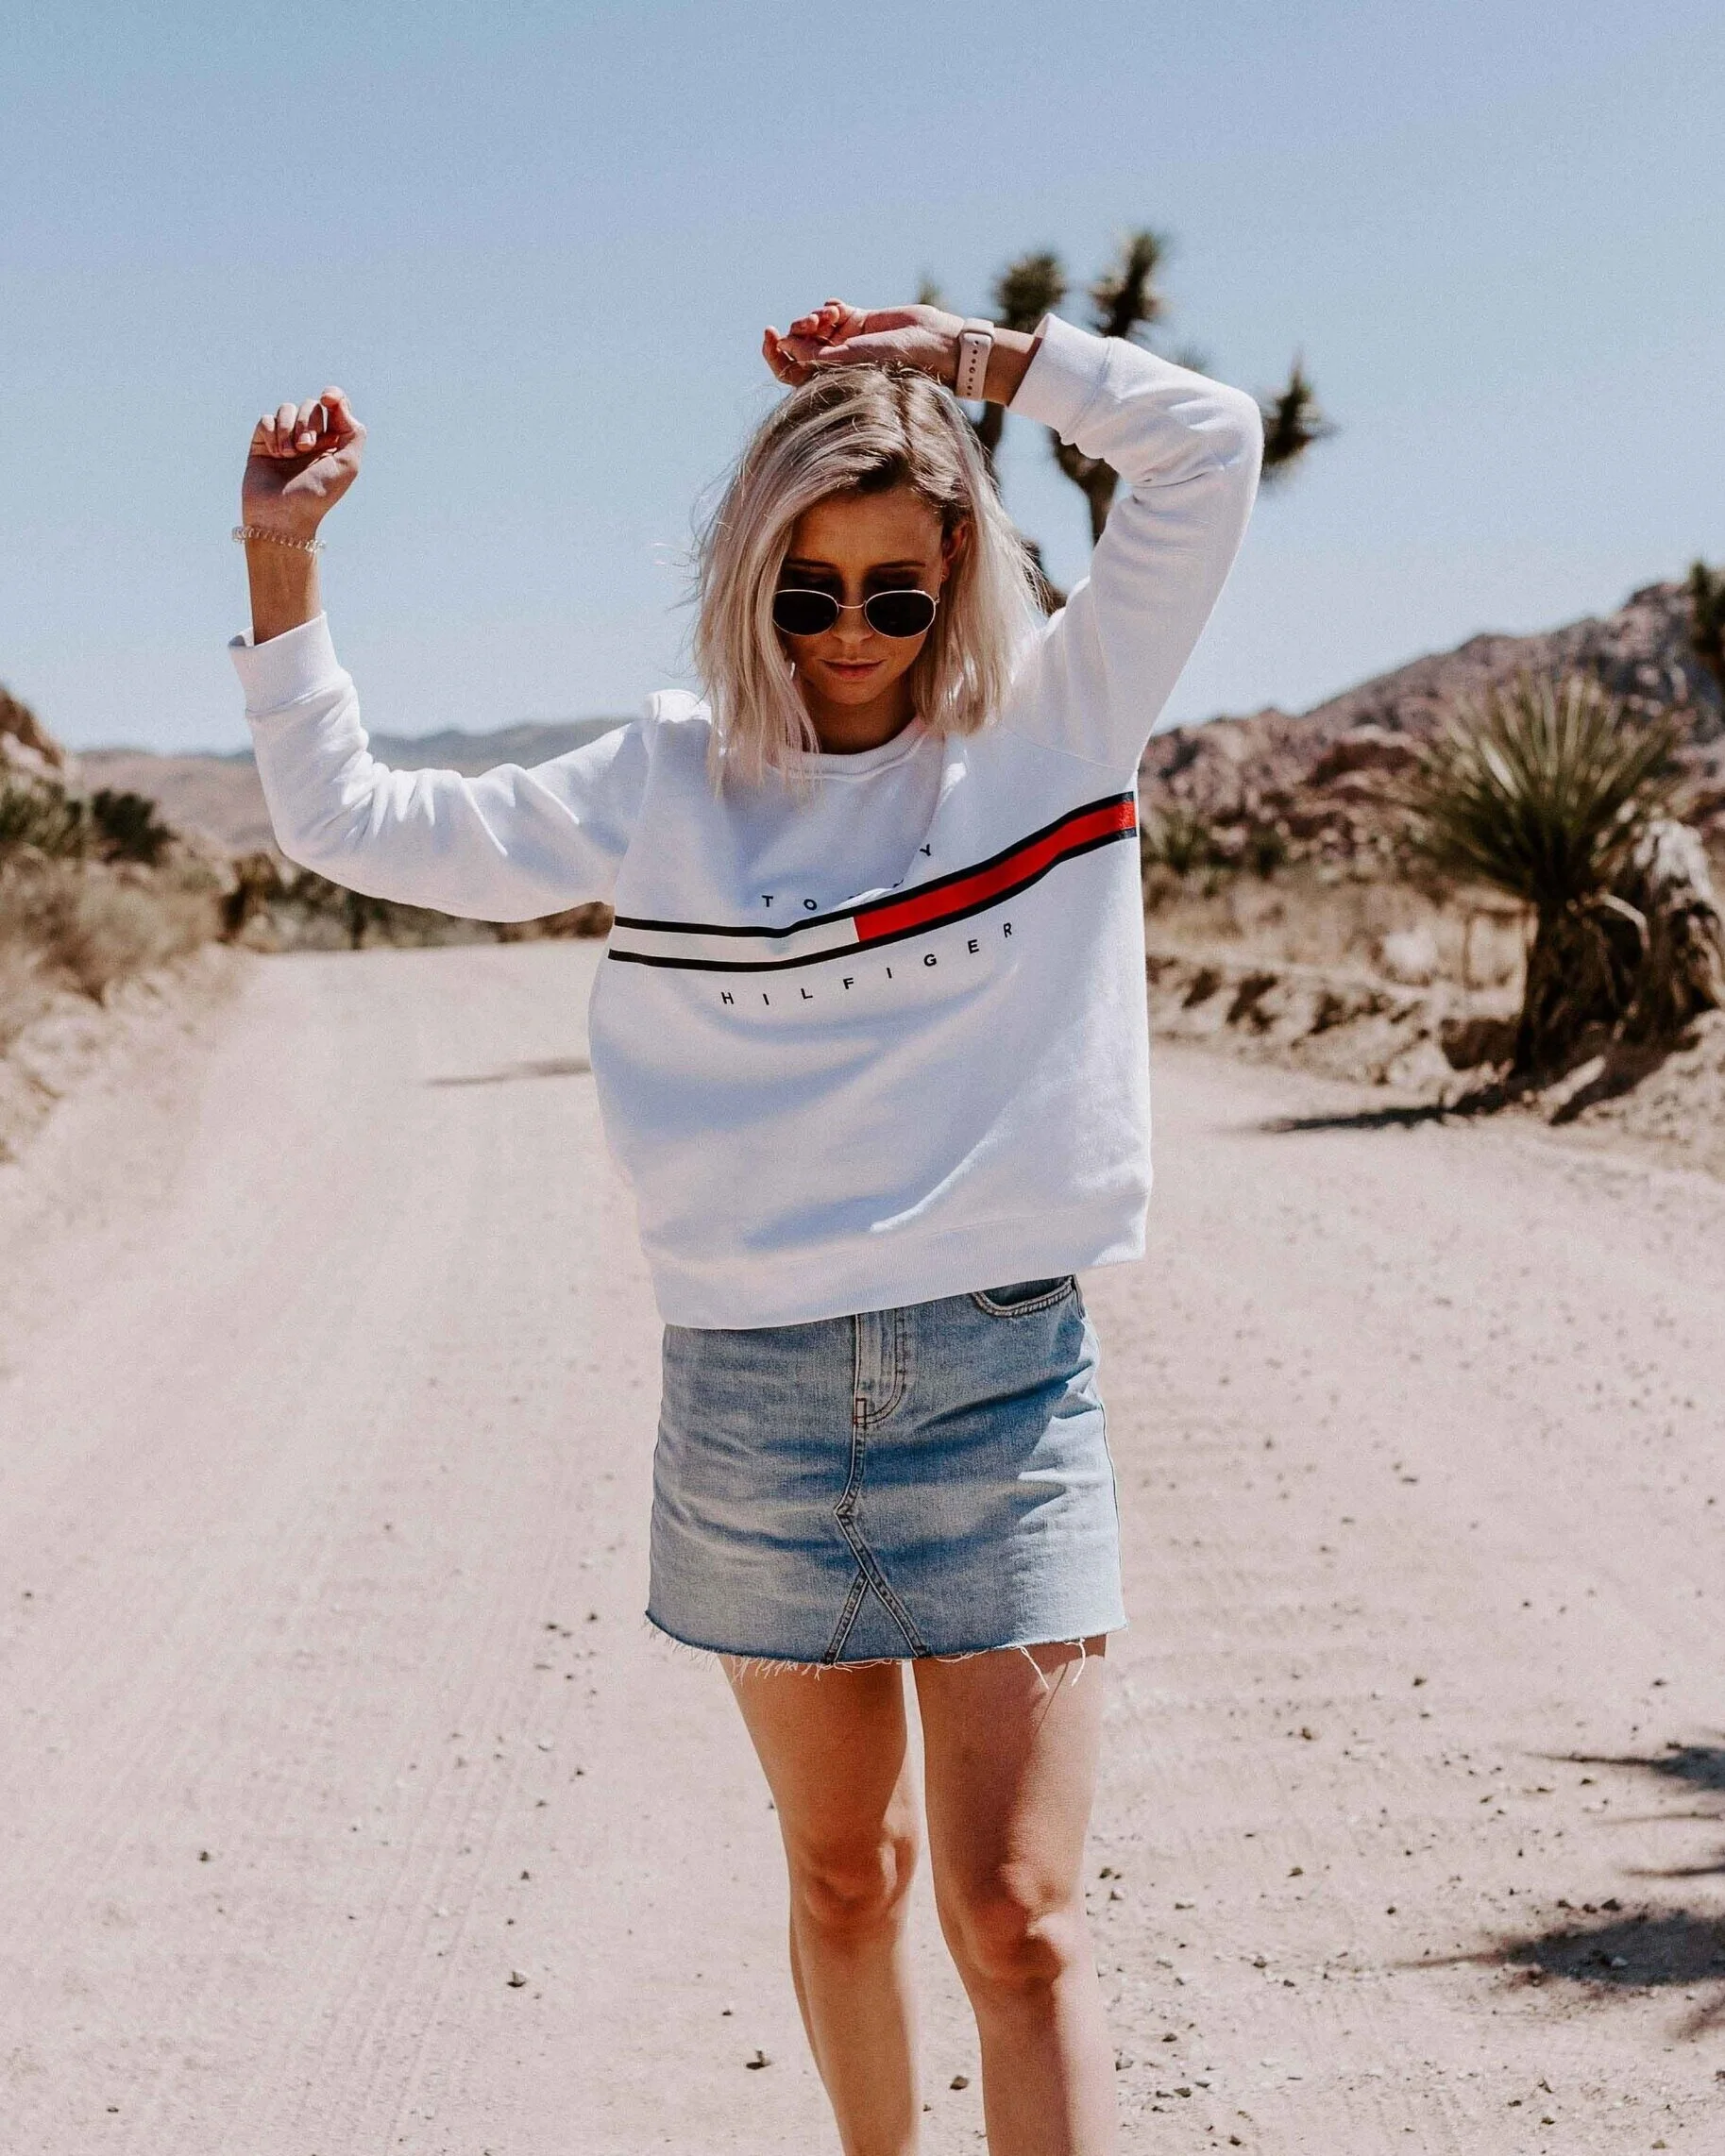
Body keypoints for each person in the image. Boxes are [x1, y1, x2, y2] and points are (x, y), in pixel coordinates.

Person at [231, 296, 1261, 2156]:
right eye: (808, 594)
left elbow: (1207, 443)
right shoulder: (664, 779)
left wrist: (974, 356)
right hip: (756, 1406)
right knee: (847, 1881)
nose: (853, 638)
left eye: (897, 592)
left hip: (1001, 1387)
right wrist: (281, 560)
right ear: (749, 585)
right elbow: (347, 817)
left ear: (962, 579)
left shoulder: (1063, 725)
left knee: (1016, 1922)